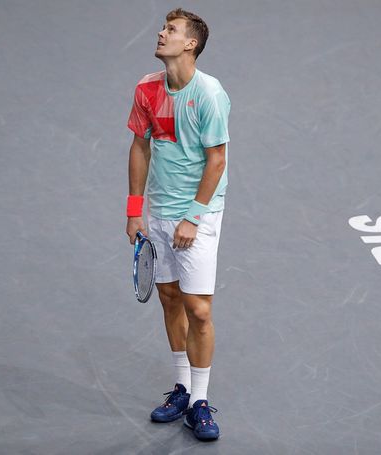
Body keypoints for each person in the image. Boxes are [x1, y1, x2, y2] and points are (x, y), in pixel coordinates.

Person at [125, 7, 230, 442]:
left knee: (199, 309)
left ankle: (201, 401)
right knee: (169, 298)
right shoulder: (146, 89)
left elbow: (217, 160)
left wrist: (192, 216)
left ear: (191, 44)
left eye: (171, 30)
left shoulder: (209, 94)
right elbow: (139, 147)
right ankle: (182, 389)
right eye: (164, 27)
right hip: (159, 210)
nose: (161, 33)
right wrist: (135, 209)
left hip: (198, 213)